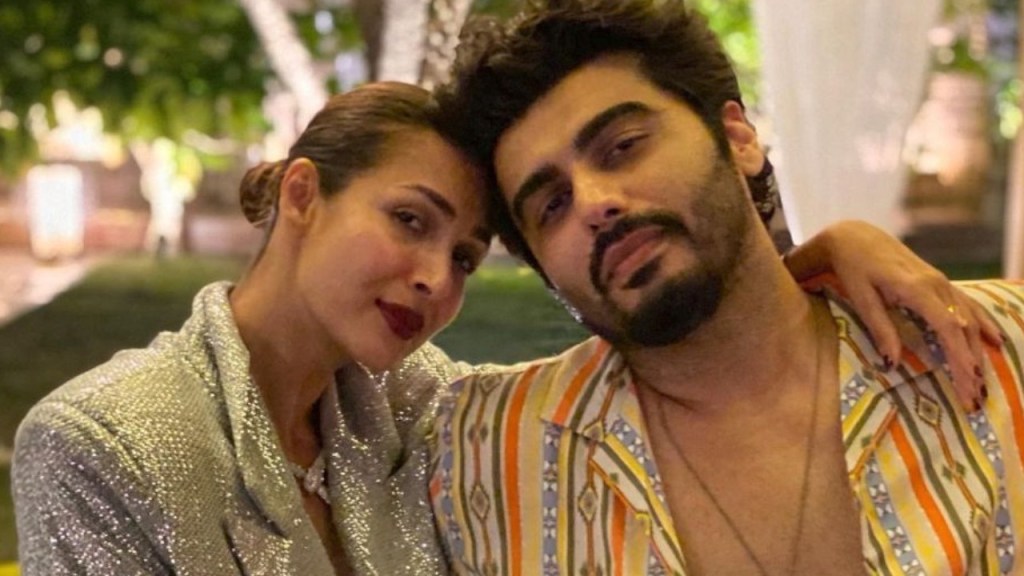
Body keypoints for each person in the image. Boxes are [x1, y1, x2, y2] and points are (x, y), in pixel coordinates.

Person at [8, 75, 1000, 576]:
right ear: (302, 195)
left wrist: (823, 258)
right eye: (410, 222)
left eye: (466, 255)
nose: (433, 279)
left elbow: (660, 357)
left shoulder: (419, 409)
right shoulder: (101, 443)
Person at [429, 2, 1024, 574]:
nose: (593, 203)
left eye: (623, 147)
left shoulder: (999, 344)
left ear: (737, 137)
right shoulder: (479, 446)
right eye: (552, 205)